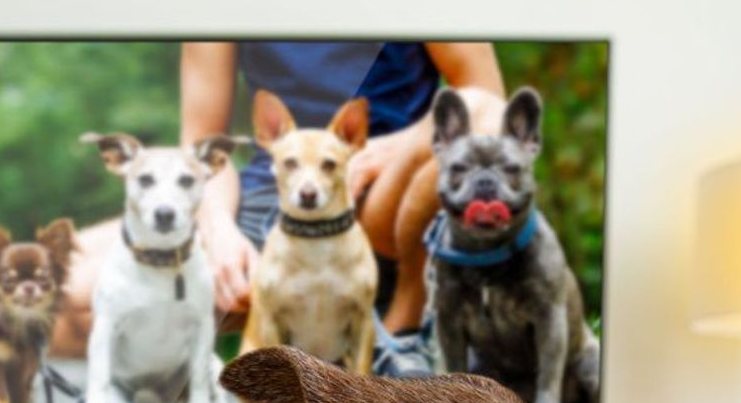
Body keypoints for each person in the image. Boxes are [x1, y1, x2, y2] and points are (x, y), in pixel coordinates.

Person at [53, 41, 505, 377]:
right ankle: (230, 364)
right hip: (272, 195)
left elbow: (490, 101)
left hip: (383, 191)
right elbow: (205, 143)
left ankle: (402, 334)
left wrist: (384, 153)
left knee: (479, 112)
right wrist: (218, 229)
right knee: (62, 294)